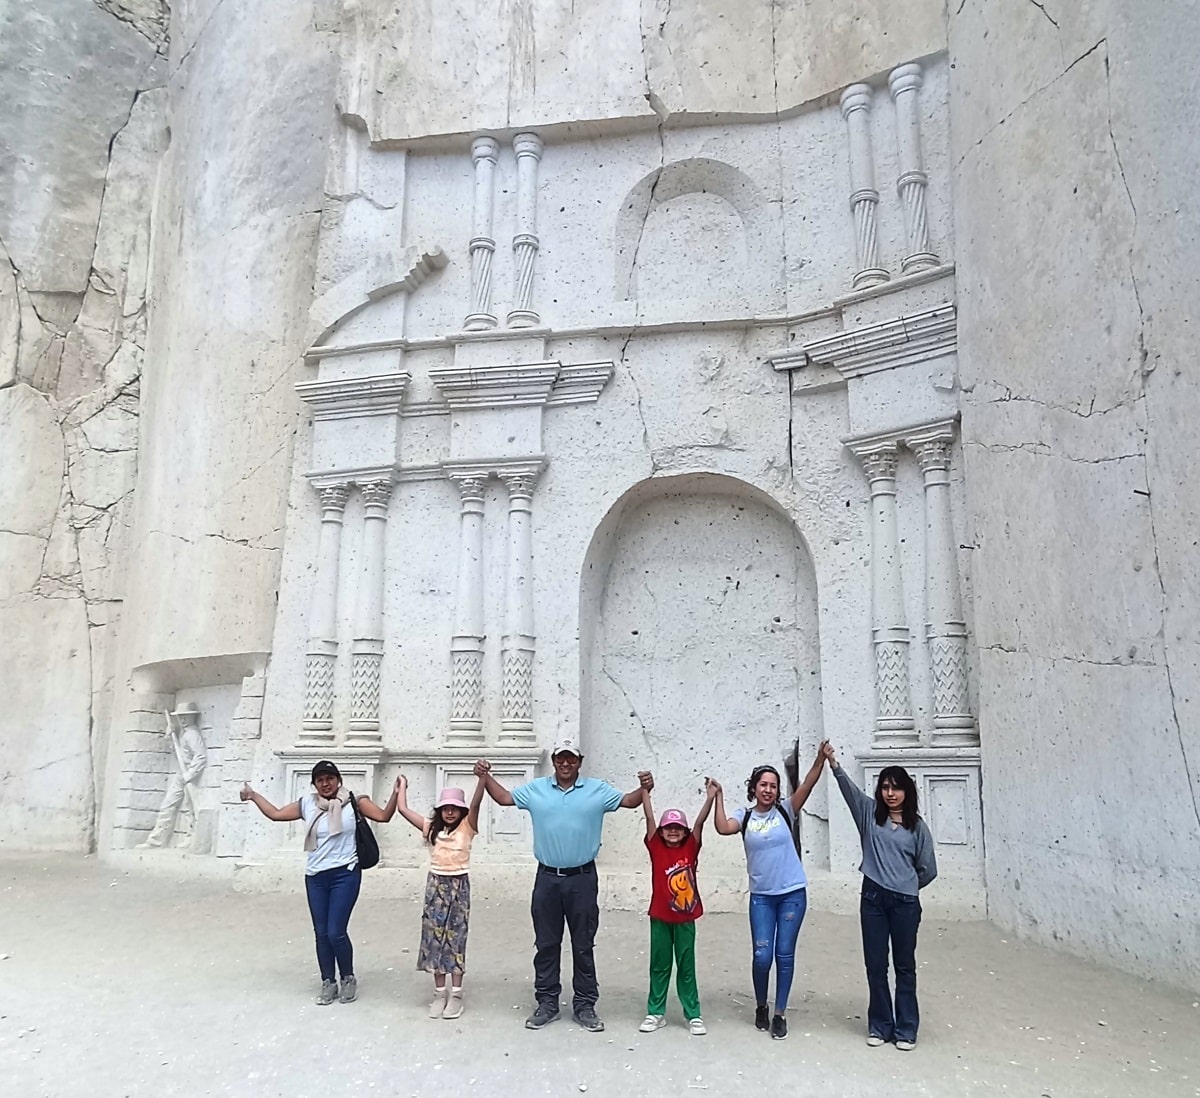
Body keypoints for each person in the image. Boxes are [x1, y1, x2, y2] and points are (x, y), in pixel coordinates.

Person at [474, 738, 651, 1032]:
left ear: (579, 762)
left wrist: (645, 787)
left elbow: (629, 801)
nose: (566, 764)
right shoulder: (537, 789)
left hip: (582, 878)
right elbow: (505, 797)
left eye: (571, 759)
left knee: (583, 944)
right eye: (561, 759)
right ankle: (547, 1003)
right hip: (547, 879)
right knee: (546, 943)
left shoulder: (597, 790)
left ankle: (585, 1005)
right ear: (554, 761)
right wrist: (485, 776)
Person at [240, 761, 399, 1005]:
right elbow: (276, 814)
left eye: (330, 778)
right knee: (321, 933)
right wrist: (253, 795)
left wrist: (398, 793)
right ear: (314, 784)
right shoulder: (307, 804)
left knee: (336, 931)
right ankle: (328, 981)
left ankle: (347, 977)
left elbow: (384, 816)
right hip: (315, 876)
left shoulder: (355, 802)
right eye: (320, 780)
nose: (326, 784)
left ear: (339, 780)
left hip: (345, 873)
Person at [710, 742, 828, 1040]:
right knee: (762, 956)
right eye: (763, 785)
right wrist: (718, 797)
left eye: (773, 786)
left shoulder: (786, 810)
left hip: (791, 894)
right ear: (754, 788)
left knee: (784, 954)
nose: (768, 790)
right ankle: (761, 1005)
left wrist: (819, 759)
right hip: (761, 897)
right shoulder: (746, 816)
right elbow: (723, 827)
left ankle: (780, 1013)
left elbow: (810, 783)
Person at [823, 743, 937, 1051]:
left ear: (906, 793)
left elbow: (928, 869)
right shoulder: (869, 814)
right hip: (872, 899)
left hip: (904, 904)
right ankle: (880, 1025)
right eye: (885, 787)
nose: (890, 793)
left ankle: (906, 1029)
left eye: (896, 788)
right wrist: (833, 764)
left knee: (904, 966)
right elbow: (849, 791)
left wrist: (905, 886)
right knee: (875, 964)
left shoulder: (918, 827)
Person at [393, 773, 486, 1020]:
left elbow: (476, 803)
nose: (450, 813)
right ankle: (438, 993)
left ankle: (456, 994)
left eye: (455, 809)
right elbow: (403, 810)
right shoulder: (430, 828)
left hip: (458, 885)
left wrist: (483, 779)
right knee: (433, 939)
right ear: (440, 810)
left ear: (462, 811)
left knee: (455, 939)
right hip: (435, 885)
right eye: (446, 808)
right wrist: (402, 786)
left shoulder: (468, 827)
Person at [638, 780, 716, 1036]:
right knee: (659, 965)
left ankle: (693, 1014)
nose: (673, 831)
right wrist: (645, 792)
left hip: (685, 918)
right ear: (660, 832)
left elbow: (700, 823)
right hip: (660, 916)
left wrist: (710, 797)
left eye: (677, 828)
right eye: (668, 828)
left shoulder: (691, 847)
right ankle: (655, 1012)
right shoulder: (656, 847)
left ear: (684, 832)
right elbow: (649, 816)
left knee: (686, 966)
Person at [139, 701, 208, 848]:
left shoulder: (193, 735)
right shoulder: (185, 734)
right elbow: (179, 755)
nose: (182, 720)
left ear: (192, 717)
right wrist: (170, 737)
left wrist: (188, 775)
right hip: (182, 774)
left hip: (191, 776)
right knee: (168, 805)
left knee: (191, 809)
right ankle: (156, 840)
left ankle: (192, 838)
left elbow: (201, 756)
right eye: (180, 717)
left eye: (185, 717)